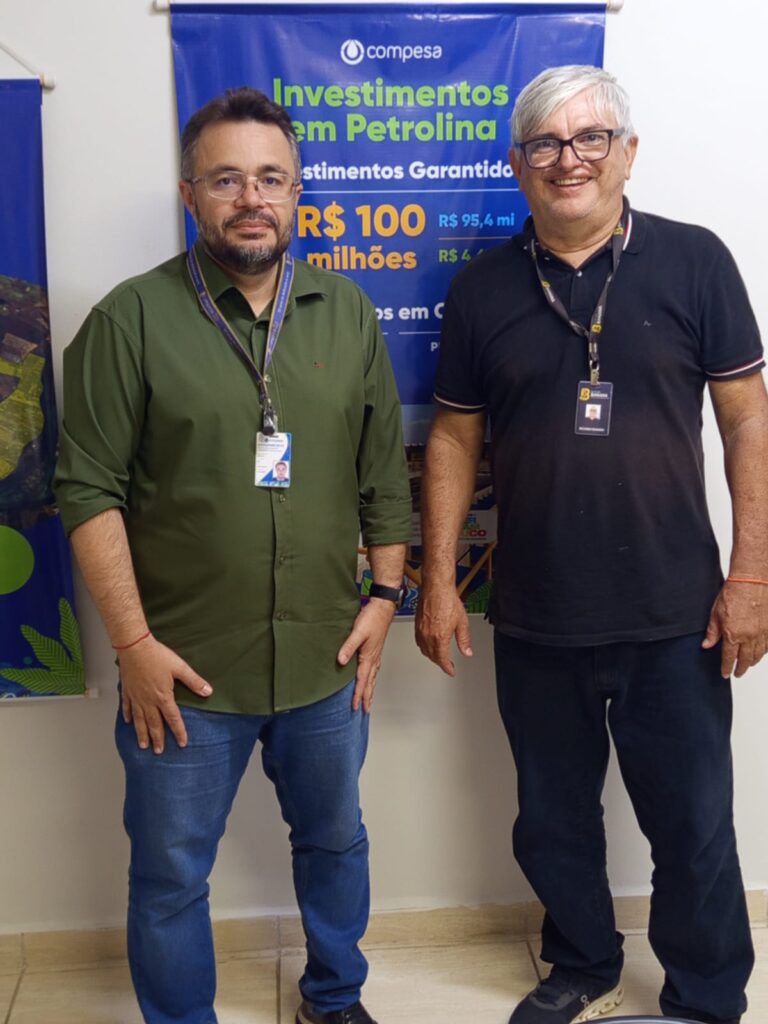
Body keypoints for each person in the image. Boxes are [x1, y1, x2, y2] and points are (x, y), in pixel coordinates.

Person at [416, 65, 768, 1024]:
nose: (567, 159)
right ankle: (582, 963)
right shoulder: (482, 288)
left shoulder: (697, 261)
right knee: (553, 821)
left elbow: (747, 421)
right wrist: (439, 581)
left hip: (677, 613)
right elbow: (453, 438)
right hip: (538, 614)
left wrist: (752, 573)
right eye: (544, 143)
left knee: (694, 826)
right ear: (517, 164)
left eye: (589, 138)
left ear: (628, 152)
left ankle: (705, 996)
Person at [55, 87, 411, 1024]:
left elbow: (384, 477)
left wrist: (384, 601)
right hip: (182, 674)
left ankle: (335, 997)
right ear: (190, 194)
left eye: (271, 178)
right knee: (170, 876)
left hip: (327, 661)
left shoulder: (347, 313)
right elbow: (87, 492)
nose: (251, 198)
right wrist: (132, 645)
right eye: (226, 179)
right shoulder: (130, 321)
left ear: (297, 192)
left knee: (335, 843)